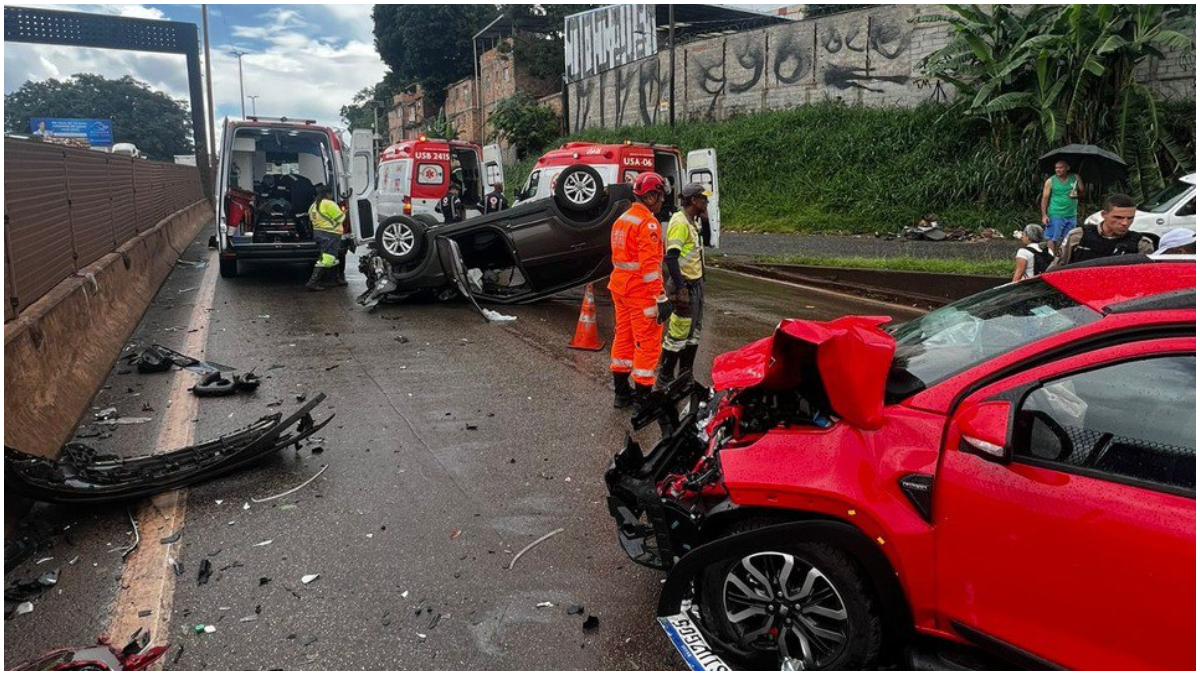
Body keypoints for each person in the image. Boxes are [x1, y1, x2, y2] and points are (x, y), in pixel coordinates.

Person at [609, 172, 670, 410]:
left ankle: (621, 394)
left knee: (623, 338)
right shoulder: (648, 223)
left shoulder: (622, 219)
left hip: (620, 288)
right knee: (647, 343)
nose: (663, 200)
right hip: (641, 292)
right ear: (651, 196)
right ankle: (644, 398)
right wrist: (661, 297)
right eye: (661, 195)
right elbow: (650, 267)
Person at [658, 183, 711, 384]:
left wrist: (705, 222)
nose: (706, 202)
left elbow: (705, 243)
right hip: (685, 286)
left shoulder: (692, 221)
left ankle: (685, 375)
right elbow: (671, 258)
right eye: (703, 199)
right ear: (693, 200)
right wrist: (680, 289)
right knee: (679, 333)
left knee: (694, 332)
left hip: (696, 285)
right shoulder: (679, 222)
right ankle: (664, 377)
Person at [1052, 194, 1154, 268]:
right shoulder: (1078, 236)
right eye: (1118, 217)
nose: (1125, 223)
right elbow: (1055, 269)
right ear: (1104, 214)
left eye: (1130, 218)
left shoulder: (1141, 244)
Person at [306, 185, 345, 291]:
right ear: (328, 194)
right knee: (327, 259)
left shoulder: (313, 205)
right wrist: (345, 212)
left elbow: (311, 218)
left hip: (319, 233)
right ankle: (312, 282)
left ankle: (336, 279)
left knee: (333, 258)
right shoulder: (329, 204)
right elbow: (340, 219)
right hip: (330, 234)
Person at [1041, 160, 1084, 249]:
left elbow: (1082, 193)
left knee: (1068, 238)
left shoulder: (1075, 177)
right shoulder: (1050, 181)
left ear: (1067, 168)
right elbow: (1044, 199)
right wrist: (1044, 215)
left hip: (1071, 214)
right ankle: (1051, 257)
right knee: (1052, 238)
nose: (1058, 170)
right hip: (1056, 213)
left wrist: (1077, 195)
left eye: (1060, 167)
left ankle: (1063, 259)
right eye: (1056, 168)